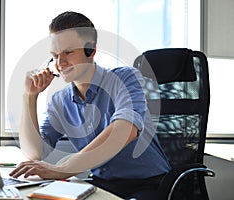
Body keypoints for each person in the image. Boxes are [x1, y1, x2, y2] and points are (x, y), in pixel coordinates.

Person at [10, 11, 171, 199]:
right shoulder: (60, 101)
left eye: (68, 52)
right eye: (55, 55)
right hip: (101, 185)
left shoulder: (125, 78)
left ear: (91, 50)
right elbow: (35, 153)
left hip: (148, 186)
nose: (60, 63)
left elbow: (125, 131)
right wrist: (29, 97)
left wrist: (62, 169)